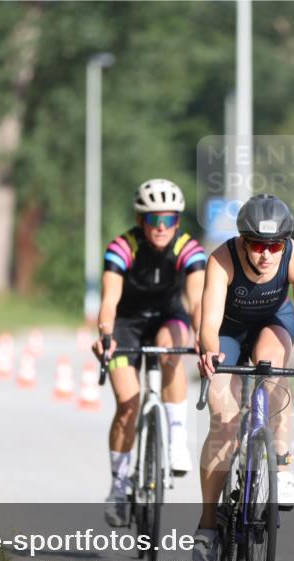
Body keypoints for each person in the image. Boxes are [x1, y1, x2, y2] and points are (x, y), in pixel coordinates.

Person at [192, 194, 294, 561]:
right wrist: (211, 353)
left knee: (272, 367)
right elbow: (208, 324)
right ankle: (208, 525)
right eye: (257, 244)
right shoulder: (221, 260)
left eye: (275, 245)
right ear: (243, 240)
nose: (266, 254)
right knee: (223, 421)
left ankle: (281, 467)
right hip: (228, 330)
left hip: (274, 322)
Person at [91, 178, 207, 527]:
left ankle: (176, 440)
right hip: (126, 322)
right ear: (141, 220)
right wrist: (106, 334)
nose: (161, 228)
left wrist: (203, 334)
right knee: (128, 404)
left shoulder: (189, 248)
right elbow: (109, 300)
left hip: (168, 316)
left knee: (171, 350)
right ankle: (119, 484)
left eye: (168, 220)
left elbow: (198, 299)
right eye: (154, 219)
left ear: (177, 221)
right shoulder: (122, 247)